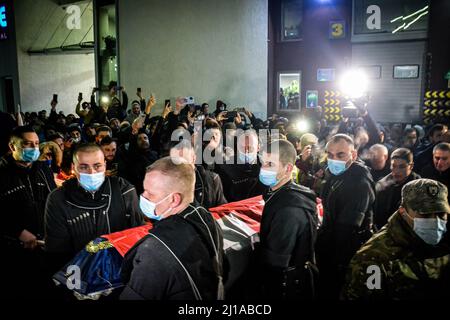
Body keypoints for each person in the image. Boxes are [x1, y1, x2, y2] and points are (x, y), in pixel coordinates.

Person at [120, 157, 225, 300]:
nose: (143, 197)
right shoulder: (206, 218)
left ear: (174, 199)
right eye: (144, 190)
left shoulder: (153, 250)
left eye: (150, 193)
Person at [342, 179, 450, 300]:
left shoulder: (445, 244)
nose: (435, 221)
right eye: (425, 215)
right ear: (403, 212)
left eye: (441, 214)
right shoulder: (374, 258)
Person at [44, 143, 143, 270]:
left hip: (121, 269)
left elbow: (137, 234)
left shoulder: (123, 190)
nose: (91, 172)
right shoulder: (58, 198)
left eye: (97, 166)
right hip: (78, 271)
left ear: (105, 165)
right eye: (84, 167)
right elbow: (56, 249)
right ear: (73, 168)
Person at [257, 139, 319, 299]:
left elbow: (276, 262)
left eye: (270, 164)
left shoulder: (288, 208)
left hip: (288, 287)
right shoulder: (281, 194)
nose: (263, 169)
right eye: (263, 162)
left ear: (288, 168)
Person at [316, 134, 375, 299]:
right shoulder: (335, 176)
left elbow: (346, 230)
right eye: (330, 154)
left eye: (340, 154)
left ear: (353, 155)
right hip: (331, 245)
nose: (334, 159)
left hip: (345, 254)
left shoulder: (359, 184)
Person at [0, 126, 57, 297]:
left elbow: (54, 200)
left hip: (45, 245)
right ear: (12, 147)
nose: (34, 149)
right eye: (28, 144)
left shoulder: (43, 170)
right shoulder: (2, 174)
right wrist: (17, 231)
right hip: (14, 251)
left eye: (37, 144)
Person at [170, 139, 227, 208]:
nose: (179, 165)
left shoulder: (212, 180)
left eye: (183, 161)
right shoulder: (165, 182)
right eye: (175, 161)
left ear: (193, 158)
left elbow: (223, 209)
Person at [374, 148, 421, 230]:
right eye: (394, 166)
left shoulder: (419, 186)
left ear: (411, 166)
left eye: (402, 167)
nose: (396, 171)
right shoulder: (382, 185)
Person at [215, 129, 267, 202]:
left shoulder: (267, 167)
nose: (246, 151)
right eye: (242, 148)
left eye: (249, 148)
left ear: (258, 147)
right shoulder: (225, 168)